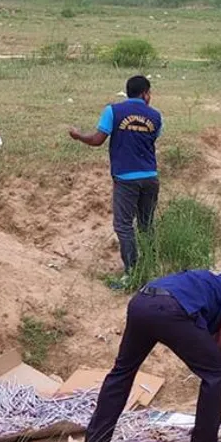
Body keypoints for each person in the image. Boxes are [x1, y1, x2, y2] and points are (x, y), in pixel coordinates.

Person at [82, 266, 221, 442]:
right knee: (217, 371)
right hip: (172, 309)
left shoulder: (216, 290)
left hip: (142, 301)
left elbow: (213, 353)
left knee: (122, 372)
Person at [69, 76, 162, 288]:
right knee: (147, 224)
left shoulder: (113, 111)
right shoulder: (156, 116)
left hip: (125, 179)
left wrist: (78, 136)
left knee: (123, 225)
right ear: (145, 94)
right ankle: (151, 268)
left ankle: (131, 272)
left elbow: (97, 140)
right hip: (150, 177)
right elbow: (152, 139)